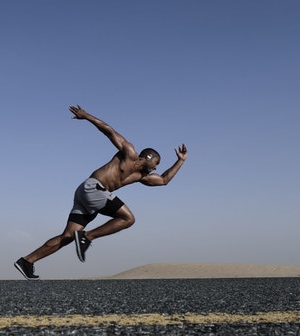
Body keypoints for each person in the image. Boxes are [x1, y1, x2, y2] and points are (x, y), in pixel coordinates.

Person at [14, 105, 188, 280]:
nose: (157, 167)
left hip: (88, 196)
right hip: (93, 188)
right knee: (128, 219)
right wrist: (86, 116)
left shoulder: (141, 176)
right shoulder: (129, 152)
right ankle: (87, 237)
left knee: (68, 236)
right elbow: (109, 131)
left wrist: (180, 161)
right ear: (148, 157)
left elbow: (164, 180)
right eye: (156, 163)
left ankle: (27, 261)